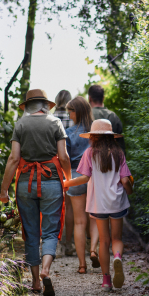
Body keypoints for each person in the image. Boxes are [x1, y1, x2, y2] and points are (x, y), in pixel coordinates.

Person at [0, 89, 71, 296]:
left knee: (31, 233)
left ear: (28, 106)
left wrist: (4, 190)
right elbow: (64, 156)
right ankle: (47, 269)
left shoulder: (20, 125)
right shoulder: (55, 123)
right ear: (45, 105)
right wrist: (66, 178)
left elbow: (13, 159)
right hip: (52, 182)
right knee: (50, 230)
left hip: (25, 183)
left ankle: (35, 282)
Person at [64, 119, 134, 291]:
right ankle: (117, 257)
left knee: (104, 241)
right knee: (116, 239)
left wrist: (66, 183)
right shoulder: (118, 153)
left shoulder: (89, 153)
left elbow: (85, 178)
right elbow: (125, 180)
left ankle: (106, 281)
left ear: (93, 136)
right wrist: (130, 191)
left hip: (98, 203)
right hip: (116, 201)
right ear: (111, 137)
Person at [63, 96, 101, 273]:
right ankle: (93, 250)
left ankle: (82, 265)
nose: (69, 114)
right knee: (95, 218)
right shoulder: (97, 130)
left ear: (77, 111)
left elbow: (66, 159)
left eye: (70, 111)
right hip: (96, 177)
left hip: (77, 177)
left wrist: (66, 179)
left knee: (79, 222)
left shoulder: (69, 133)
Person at [88, 85, 126, 153]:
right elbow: (121, 146)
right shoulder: (114, 116)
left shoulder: (86, 116)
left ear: (89, 98)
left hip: (90, 160)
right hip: (113, 160)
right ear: (103, 98)